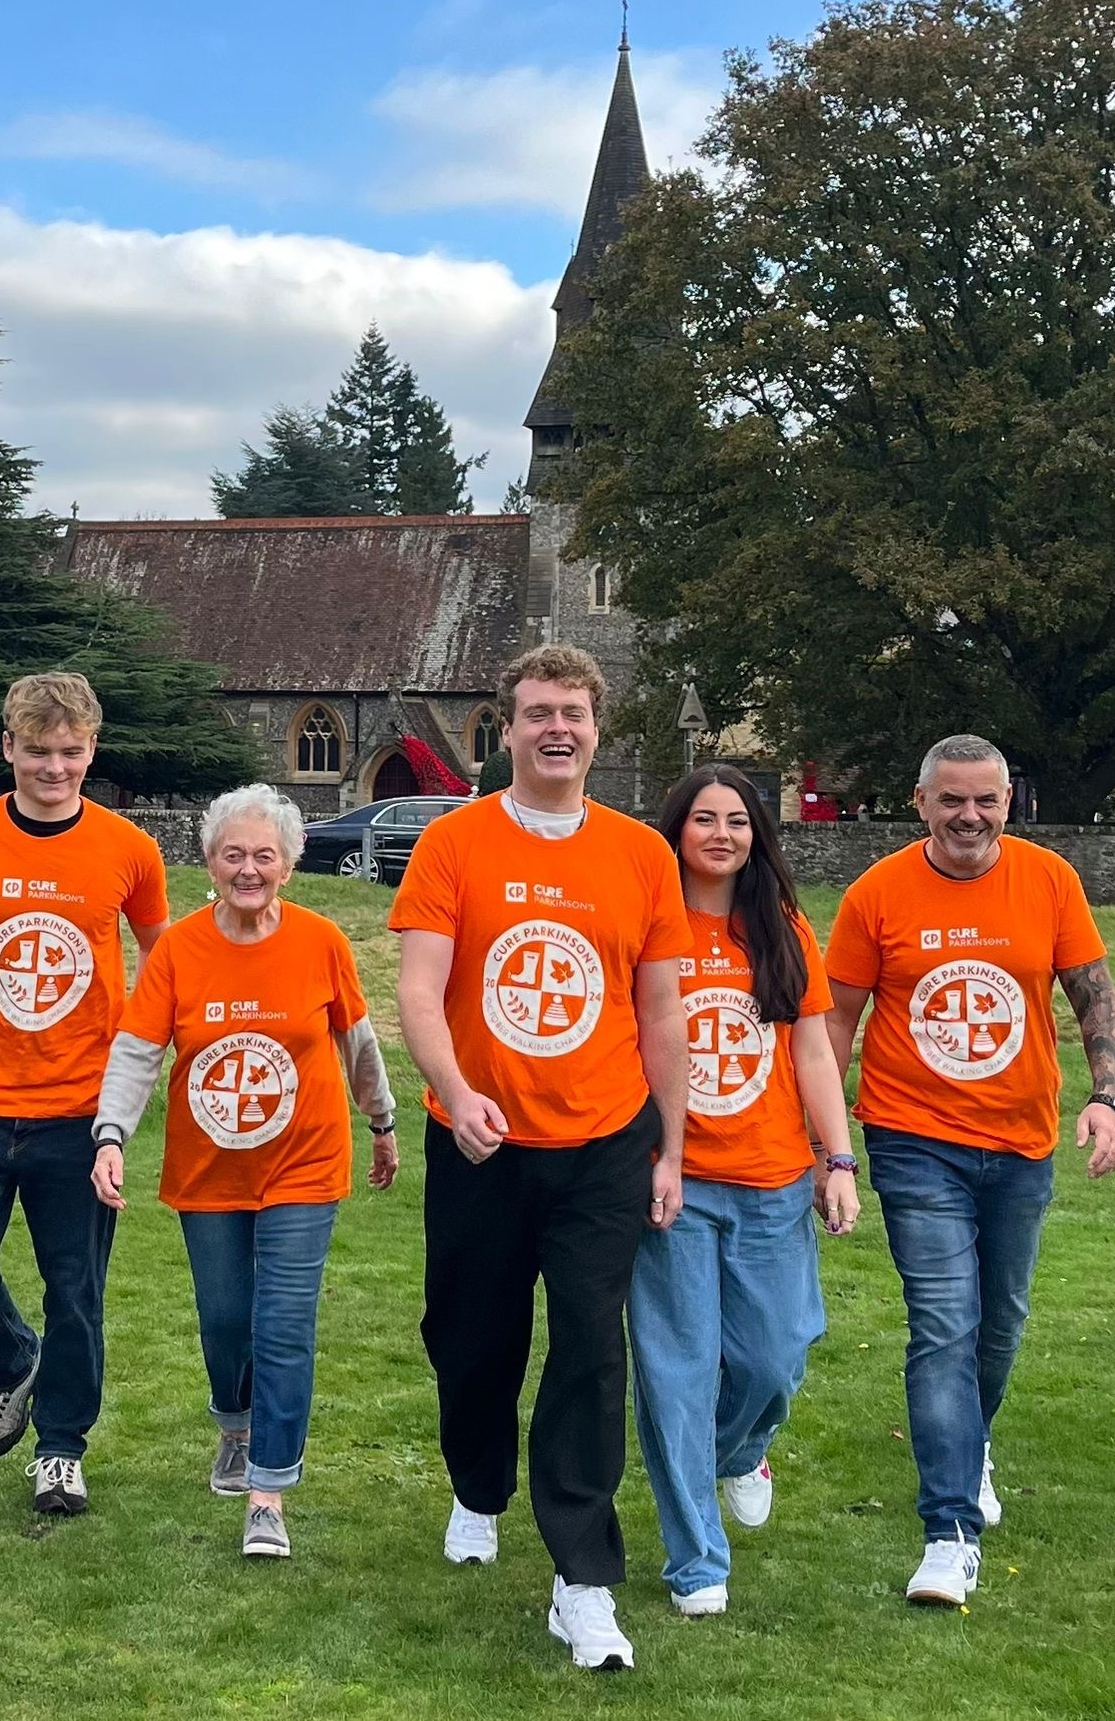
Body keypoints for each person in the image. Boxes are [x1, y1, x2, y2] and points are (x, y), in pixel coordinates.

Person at [392, 642, 692, 1673]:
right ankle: (477, 1487)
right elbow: (420, 989)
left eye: (571, 711)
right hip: (478, 1138)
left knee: (589, 1352)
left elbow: (661, 1010)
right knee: (469, 1339)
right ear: (506, 729)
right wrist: (456, 1086)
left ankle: (582, 1578)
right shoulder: (455, 844)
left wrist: (671, 1147)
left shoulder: (641, 856)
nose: (554, 728)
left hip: (604, 1142)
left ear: (595, 728)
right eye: (535, 713)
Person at [825, 733, 1115, 1608]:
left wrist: (1108, 1100)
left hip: (1022, 1140)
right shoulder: (877, 894)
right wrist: (828, 1141)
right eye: (952, 800)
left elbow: (1097, 997)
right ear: (919, 802)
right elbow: (835, 1021)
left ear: (1010, 802)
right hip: (912, 1139)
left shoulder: (1047, 880)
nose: (970, 817)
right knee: (944, 1327)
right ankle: (949, 1532)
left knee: (1000, 1324)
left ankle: (972, 1441)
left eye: (986, 800)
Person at [90, 784, 398, 1560]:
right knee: (227, 1320)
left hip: (305, 1161)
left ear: (291, 865)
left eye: (265, 855)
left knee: (284, 1326)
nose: (249, 869)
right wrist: (111, 1134)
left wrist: (383, 1120)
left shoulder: (322, 941)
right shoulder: (181, 950)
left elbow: (357, 1040)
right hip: (211, 1170)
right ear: (209, 861)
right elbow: (136, 1051)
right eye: (234, 855)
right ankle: (234, 1421)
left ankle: (268, 1490)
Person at [0, 673, 169, 1517]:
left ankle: (60, 1448)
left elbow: (166, 962)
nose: (55, 768)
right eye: (39, 751)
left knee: (76, 1286)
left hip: (78, 1109)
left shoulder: (129, 849)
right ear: (8, 747)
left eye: (72, 752)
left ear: (92, 750)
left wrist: (143, 1072)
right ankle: (14, 1361)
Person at [628, 764, 860, 1618]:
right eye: (703, 819)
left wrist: (837, 1162)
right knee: (676, 1374)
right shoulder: (648, 924)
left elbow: (810, 1054)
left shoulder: (784, 928)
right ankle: (696, 1559)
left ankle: (738, 1453)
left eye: (738, 820)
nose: (721, 834)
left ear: (758, 834)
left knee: (775, 1357)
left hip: (770, 1180)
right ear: (676, 830)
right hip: (676, 1183)